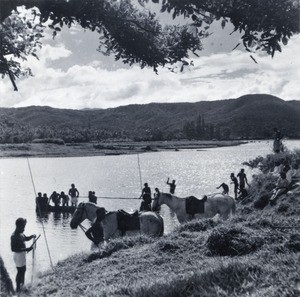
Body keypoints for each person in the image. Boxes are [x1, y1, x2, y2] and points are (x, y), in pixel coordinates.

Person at [11, 218, 36, 292]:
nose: (24, 229)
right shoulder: (14, 236)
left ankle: (22, 285)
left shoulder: (21, 233)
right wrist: (26, 249)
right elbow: (13, 249)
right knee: (20, 271)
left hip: (22, 255)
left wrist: (32, 236)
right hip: (18, 256)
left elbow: (26, 238)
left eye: (24, 226)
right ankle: (18, 288)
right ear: (18, 226)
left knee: (23, 270)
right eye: (23, 227)